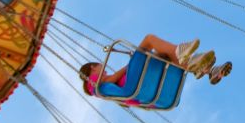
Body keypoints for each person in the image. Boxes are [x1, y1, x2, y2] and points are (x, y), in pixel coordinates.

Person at [79, 33, 233, 91]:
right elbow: (112, 79)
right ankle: (182, 52)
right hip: (134, 79)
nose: (104, 68)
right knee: (149, 39)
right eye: (100, 66)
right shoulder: (92, 81)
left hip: (139, 82)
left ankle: (206, 70)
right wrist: (129, 65)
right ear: (92, 68)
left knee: (162, 54)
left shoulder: (99, 89)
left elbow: (112, 81)